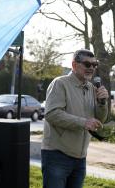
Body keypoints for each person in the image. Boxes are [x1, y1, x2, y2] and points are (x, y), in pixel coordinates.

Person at [41, 49, 109, 188]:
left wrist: (102, 103)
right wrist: (84, 123)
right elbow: (52, 114)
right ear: (74, 65)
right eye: (87, 64)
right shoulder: (60, 83)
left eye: (94, 64)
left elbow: (99, 120)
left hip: (80, 159)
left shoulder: (91, 88)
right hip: (57, 155)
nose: (92, 68)